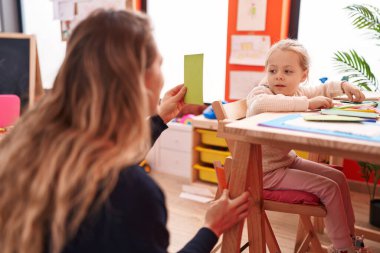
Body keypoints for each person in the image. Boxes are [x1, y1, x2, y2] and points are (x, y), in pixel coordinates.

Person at [0, 10, 251, 253]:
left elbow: (111, 157)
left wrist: (161, 117)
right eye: (159, 65)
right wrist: (211, 228)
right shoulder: (132, 194)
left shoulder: (26, 144)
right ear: (139, 81)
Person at [246, 39, 367, 253]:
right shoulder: (262, 92)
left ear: (303, 75)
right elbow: (259, 106)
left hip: (285, 161)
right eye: (272, 70)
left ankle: (351, 240)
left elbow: (323, 88)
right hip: (264, 172)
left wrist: (343, 86)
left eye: (287, 71)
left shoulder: (298, 92)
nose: (279, 76)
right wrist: (308, 104)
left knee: (338, 178)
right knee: (328, 187)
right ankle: (342, 248)